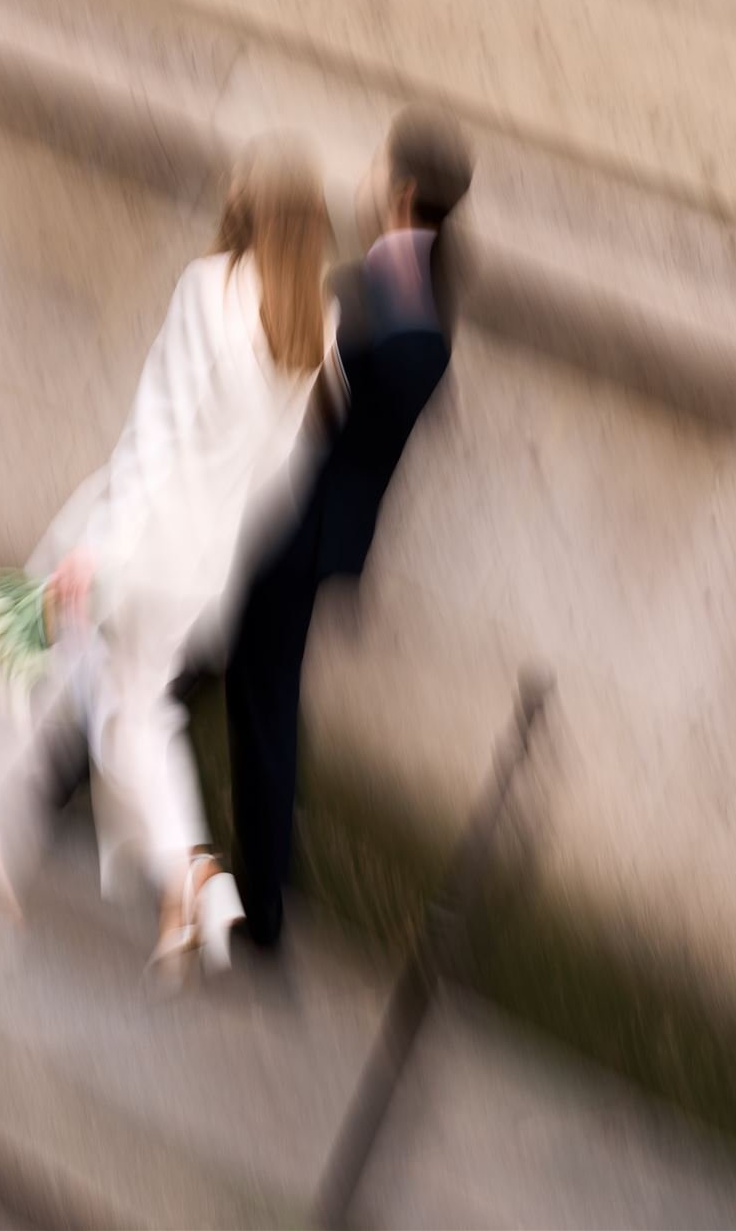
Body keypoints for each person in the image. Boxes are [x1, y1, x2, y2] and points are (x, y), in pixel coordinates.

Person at [0, 144, 335, 992]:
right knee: (134, 718)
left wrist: (98, 552)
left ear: (251, 203)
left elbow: (154, 438)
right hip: (199, 569)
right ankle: (186, 875)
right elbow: (275, 481)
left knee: (28, 665)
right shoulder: (315, 327)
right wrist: (211, 564)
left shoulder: (211, 289)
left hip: (125, 539)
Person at [225, 108, 474, 952]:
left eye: (375, 167)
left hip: (281, 529)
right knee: (230, 683)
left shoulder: (373, 296)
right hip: (319, 539)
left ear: (400, 192)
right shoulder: (431, 312)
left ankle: (261, 915)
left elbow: (300, 405)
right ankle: (257, 906)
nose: (362, 179)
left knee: (243, 694)